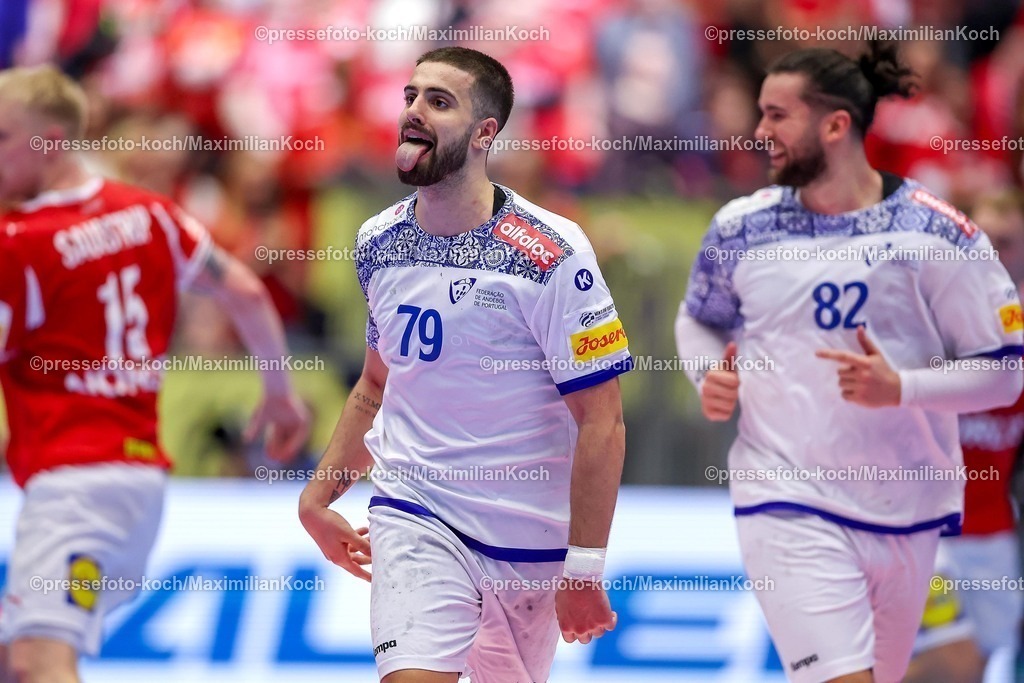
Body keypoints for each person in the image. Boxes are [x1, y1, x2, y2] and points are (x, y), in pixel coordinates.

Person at [674, 42, 1023, 683]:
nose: (760, 132)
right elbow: (699, 316)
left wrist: (902, 388)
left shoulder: (938, 234)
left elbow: (1004, 373)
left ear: (835, 125)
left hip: (907, 510)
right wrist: (708, 374)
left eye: (778, 115)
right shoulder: (740, 227)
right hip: (784, 498)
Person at [299, 46, 632, 683]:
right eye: (410, 96)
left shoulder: (551, 252)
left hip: (527, 543)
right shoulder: (378, 241)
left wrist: (585, 566)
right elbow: (377, 383)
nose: (414, 111)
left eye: (439, 101)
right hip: (414, 511)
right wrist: (320, 494)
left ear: (485, 133)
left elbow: (603, 419)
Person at [0, 64, 310, 683]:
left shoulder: (19, 243)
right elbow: (246, 292)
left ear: (51, 140)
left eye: (2, 137)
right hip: (139, 483)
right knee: (14, 659)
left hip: (74, 485)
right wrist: (280, 394)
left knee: (38, 660)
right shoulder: (151, 214)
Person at [906, 189, 1024, 683]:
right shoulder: (925, 322)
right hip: (928, 532)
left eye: (1007, 241)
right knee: (952, 661)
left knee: (973, 667)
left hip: (995, 535)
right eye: (984, 241)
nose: (995, 254)